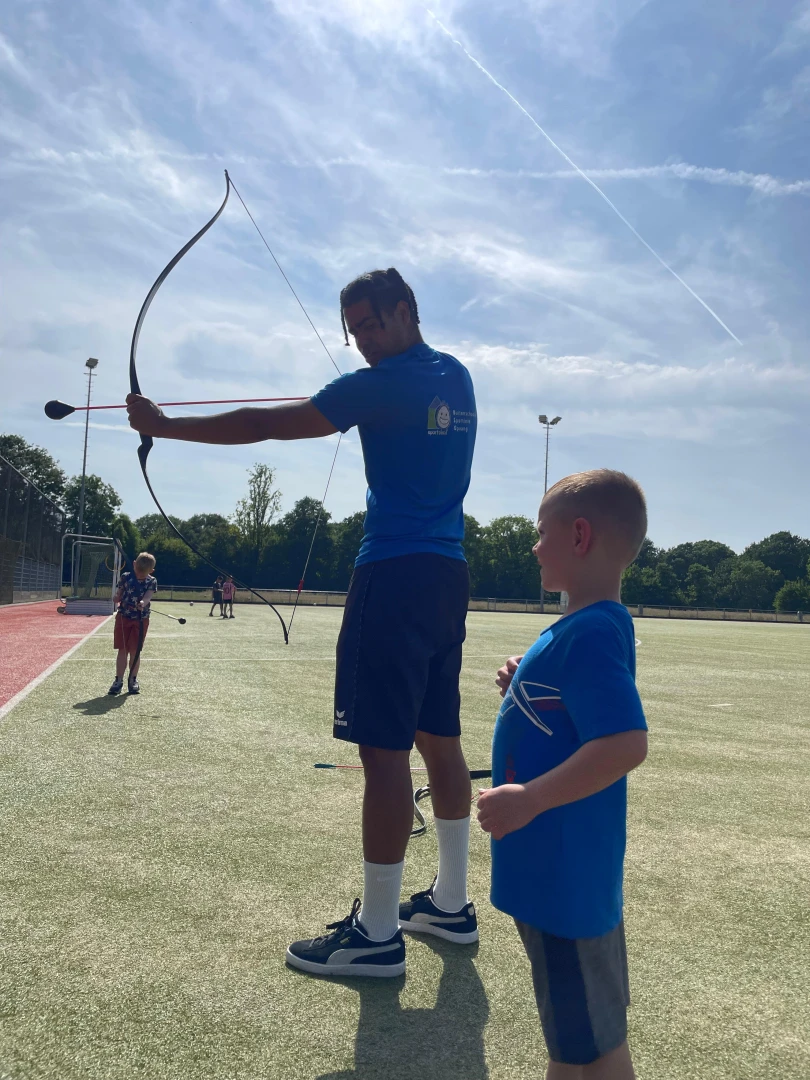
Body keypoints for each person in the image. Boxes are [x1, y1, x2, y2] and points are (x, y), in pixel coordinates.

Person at [126, 268, 478, 977]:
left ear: (407, 310)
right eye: (353, 331)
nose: (361, 342)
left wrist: (164, 427)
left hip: (394, 576)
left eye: (371, 325)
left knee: (384, 754)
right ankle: (451, 903)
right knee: (440, 740)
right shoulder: (457, 376)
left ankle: (377, 934)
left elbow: (263, 425)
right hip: (446, 577)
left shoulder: (380, 384)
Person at [478, 470, 649, 1080]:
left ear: (579, 536)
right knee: (582, 1038)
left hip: (564, 882)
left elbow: (625, 743)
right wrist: (525, 682)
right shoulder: (585, 627)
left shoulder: (595, 630)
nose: (533, 546)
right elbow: (575, 709)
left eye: (540, 532)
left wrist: (528, 799)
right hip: (559, 879)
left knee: (587, 1050)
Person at [109, 552, 158, 696]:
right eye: (137, 572)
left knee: (135, 651)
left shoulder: (152, 581)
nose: (140, 576)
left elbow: (148, 596)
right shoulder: (125, 577)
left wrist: (143, 602)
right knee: (122, 649)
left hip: (141, 619)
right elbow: (119, 593)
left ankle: (133, 679)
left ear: (151, 571)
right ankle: (118, 680)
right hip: (124, 617)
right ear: (134, 564)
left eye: (143, 574)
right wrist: (116, 597)